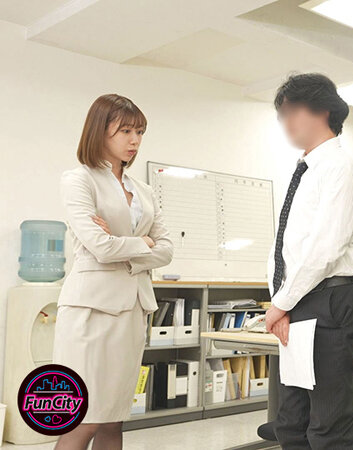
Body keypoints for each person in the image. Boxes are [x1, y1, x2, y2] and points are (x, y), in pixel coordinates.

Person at [53, 94, 174, 450]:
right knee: (84, 420)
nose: (135, 140)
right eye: (125, 131)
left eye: (140, 132)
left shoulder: (144, 191)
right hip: (90, 313)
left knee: (113, 419)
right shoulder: (79, 180)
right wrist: (143, 243)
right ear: (99, 131)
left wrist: (128, 247)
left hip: (132, 311)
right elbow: (99, 246)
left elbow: (167, 248)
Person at [262, 73, 353, 449]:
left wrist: (281, 303)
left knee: (327, 426)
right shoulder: (305, 171)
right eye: (282, 114)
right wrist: (282, 301)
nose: (286, 122)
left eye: (293, 111)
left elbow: (325, 248)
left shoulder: (341, 168)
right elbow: (287, 247)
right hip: (301, 300)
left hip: (331, 300)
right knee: (292, 423)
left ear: (323, 110)